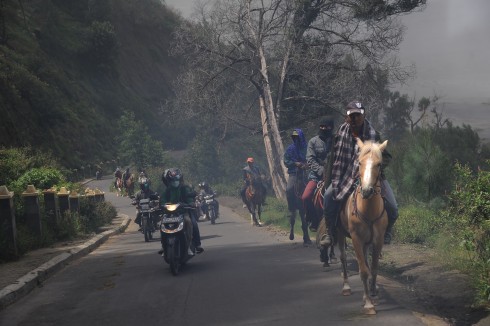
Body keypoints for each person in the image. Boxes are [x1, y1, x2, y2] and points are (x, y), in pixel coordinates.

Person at [322, 101, 398, 245]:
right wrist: (329, 182)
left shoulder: (374, 135)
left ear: (363, 116)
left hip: (371, 176)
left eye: (358, 115)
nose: (355, 119)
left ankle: (386, 232)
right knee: (327, 197)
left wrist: (376, 167)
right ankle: (329, 232)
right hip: (344, 176)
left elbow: (387, 157)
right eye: (352, 116)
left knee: (393, 207)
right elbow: (333, 160)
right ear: (347, 117)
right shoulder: (339, 134)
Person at [159, 168, 204, 255]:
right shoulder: (167, 191)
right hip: (169, 214)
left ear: (180, 179)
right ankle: (163, 246)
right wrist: (161, 205)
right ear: (169, 181)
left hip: (183, 212)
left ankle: (192, 246)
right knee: (162, 225)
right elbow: (162, 200)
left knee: (191, 223)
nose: (174, 182)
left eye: (176, 180)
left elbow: (190, 198)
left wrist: (191, 203)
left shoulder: (185, 188)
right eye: (172, 180)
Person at [301, 118, 335, 232]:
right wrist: (321, 170)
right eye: (322, 126)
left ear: (332, 128)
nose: (324, 129)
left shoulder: (337, 140)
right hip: (316, 175)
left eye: (327, 127)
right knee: (305, 197)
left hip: (335, 175)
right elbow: (310, 159)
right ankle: (313, 219)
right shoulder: (313, 141)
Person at [283, 128, 311, 244]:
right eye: (294, 137)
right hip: (294, 174)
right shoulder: (290, 149)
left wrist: (306, 165)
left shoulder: (307, 148)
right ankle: (291, 207)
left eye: (297, 137)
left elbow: (311, 159)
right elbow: (286, 161)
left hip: (306, 173)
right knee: (289, 189)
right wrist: (295, 163)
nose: (296, 139)